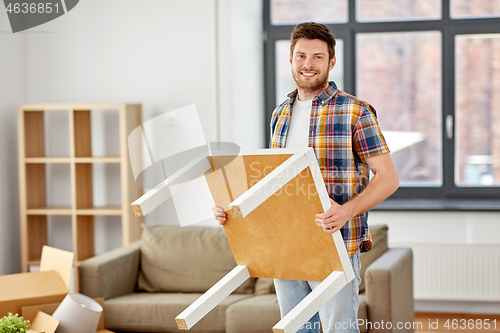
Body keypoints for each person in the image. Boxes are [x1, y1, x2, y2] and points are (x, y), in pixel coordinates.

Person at [213, 22, 399, 333]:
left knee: (338, 329)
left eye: (317, 57)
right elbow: (273, 182)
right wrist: (232, 210)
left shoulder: (356, 111)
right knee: (298, 329)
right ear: (290, 60)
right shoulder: (280, 114)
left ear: (331, 63)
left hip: (334, 243)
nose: (308, 64)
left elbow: (388, 178)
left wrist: (345, 211)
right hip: (285, 242)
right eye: (301, 56)